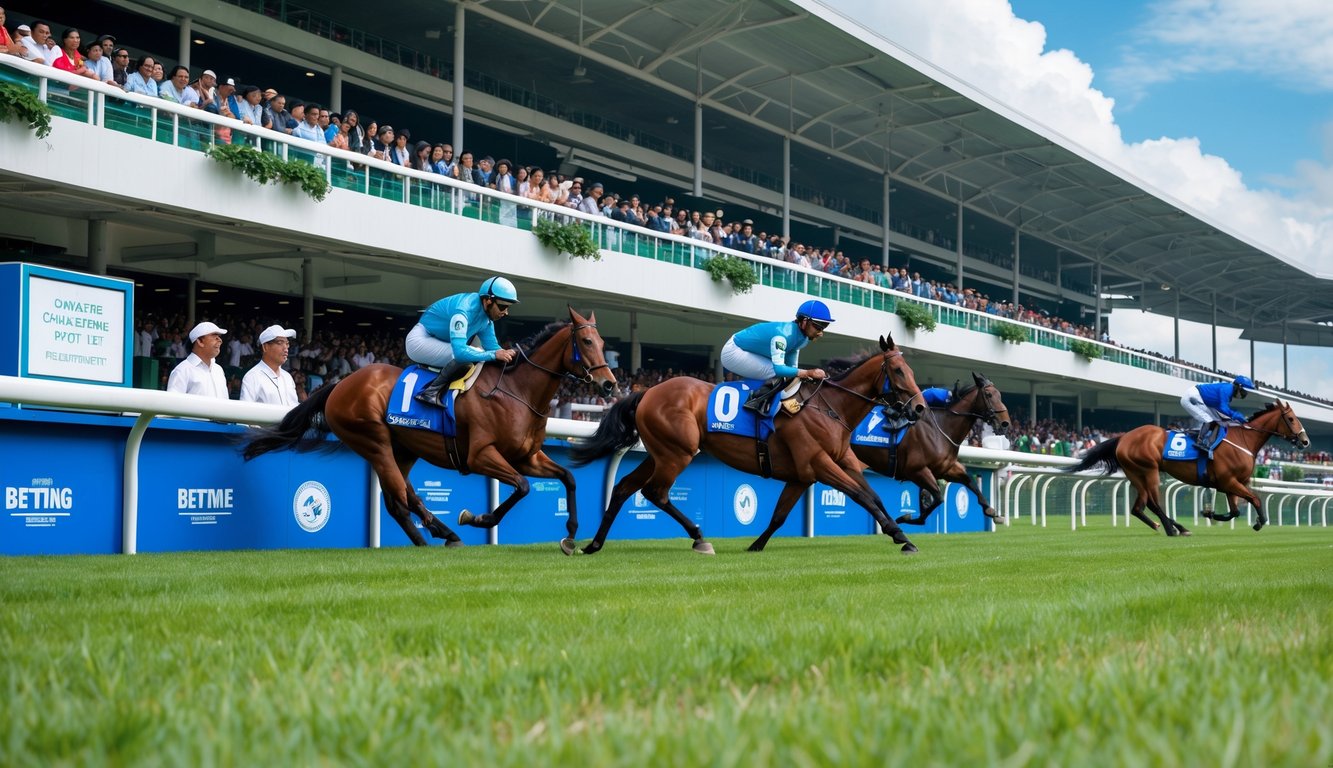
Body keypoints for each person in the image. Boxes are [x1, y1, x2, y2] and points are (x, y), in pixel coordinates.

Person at [406, 276, 519, 407]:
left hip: (440, 341)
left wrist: (510, 355)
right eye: (502, 306)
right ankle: (431, 392)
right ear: (488, 301)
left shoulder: (486, 319)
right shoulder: (463, 311)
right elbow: (460, 354)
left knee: (481, 355)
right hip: (420, 340)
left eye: (508, 307)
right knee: (471, 355)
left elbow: (493, 348)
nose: (506, 312)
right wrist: (494, 354)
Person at [721, 299, 833, 412]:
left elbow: (792, 370)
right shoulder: (783, 336)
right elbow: (779, 370)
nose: (821, 332)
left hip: (747, 350)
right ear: (804, 322)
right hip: (733, 352)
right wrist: (808, 373)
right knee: (779, 373)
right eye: (818, 327)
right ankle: (755, 402)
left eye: (824, 327)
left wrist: (804, 375)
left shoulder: (802, 339)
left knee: (791, 375)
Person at [1181, 375, 1256, 452]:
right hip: (1191, 396)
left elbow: (1220, 410)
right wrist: (1237, 415)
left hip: (1199, 397)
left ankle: (1209, 442)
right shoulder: (1226, 389)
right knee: (1209, 420)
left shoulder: (1229, 391)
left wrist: (1235, 417)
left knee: (1219, 421)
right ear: (1239, 387)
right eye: (1244, 392)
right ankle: (1200, 442)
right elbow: (1223, 408)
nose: (1245, 395)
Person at [239, 325, 300, 406]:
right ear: (265, 347)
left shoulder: (287, 377)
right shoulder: (252, 377)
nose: (285, 348)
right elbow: (245, 412)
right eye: (280, 343)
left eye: (287, 343)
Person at [167, 321, 229, 399]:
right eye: (214, 336)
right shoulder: (182, 371)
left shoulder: (218, 370)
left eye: (219, 336)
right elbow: (172, 405)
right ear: (200, 341)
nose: (220, 340)